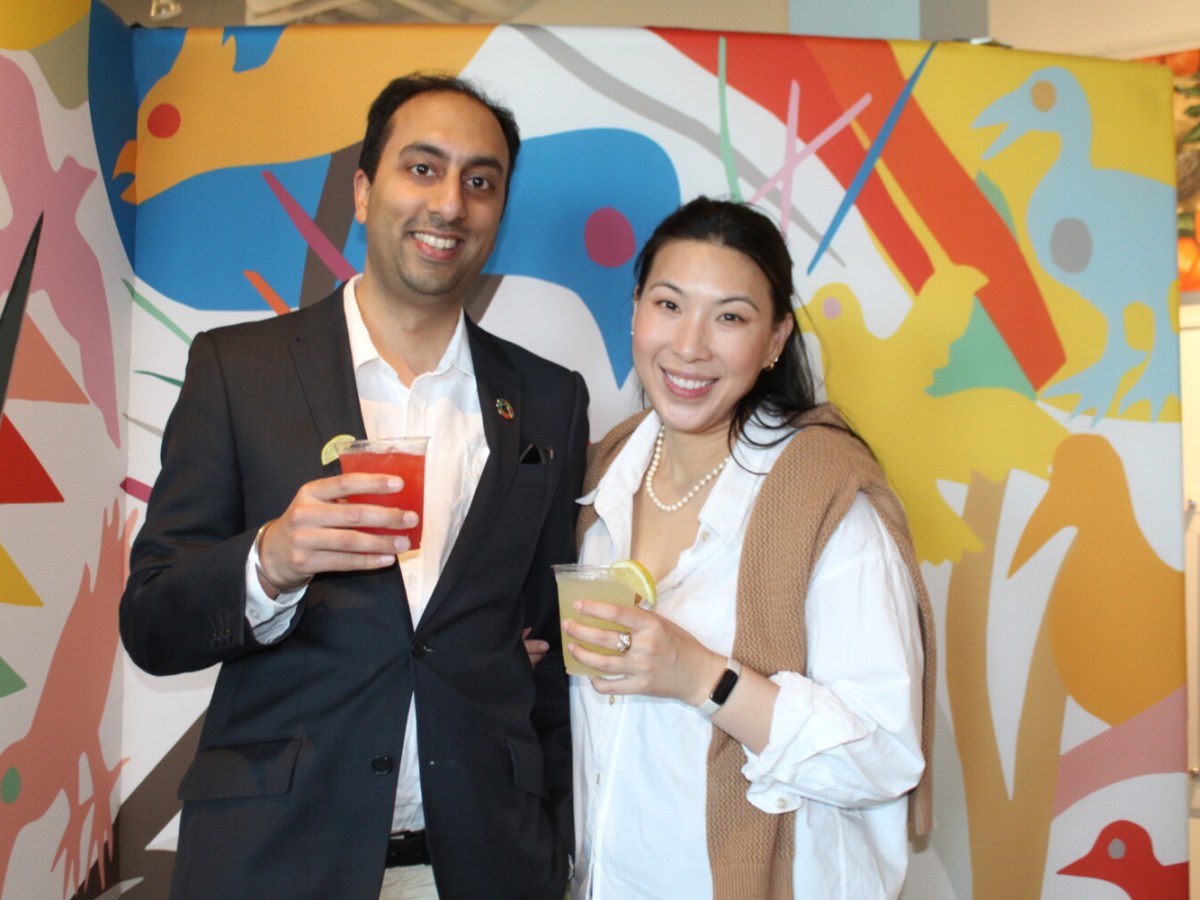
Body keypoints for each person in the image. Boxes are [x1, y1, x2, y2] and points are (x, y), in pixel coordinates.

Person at [119, 73, 587, 900]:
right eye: (423, 168)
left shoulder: (550, 398)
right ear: (365, 191)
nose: (451, 203)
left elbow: (547, 646)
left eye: (481, 181)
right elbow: (153, 624)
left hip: (486, 861)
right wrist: (270, 561)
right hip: (276, 858)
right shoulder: (239, 370)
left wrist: (557, 842)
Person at [562, 197, 934, 899]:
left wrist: (703, 678)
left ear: (774, 340)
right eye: (669, 305)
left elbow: (884, 754)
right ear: (636, 310)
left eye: (729, 317)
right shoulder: (601, 475)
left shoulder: (827, 502)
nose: (690, 345)